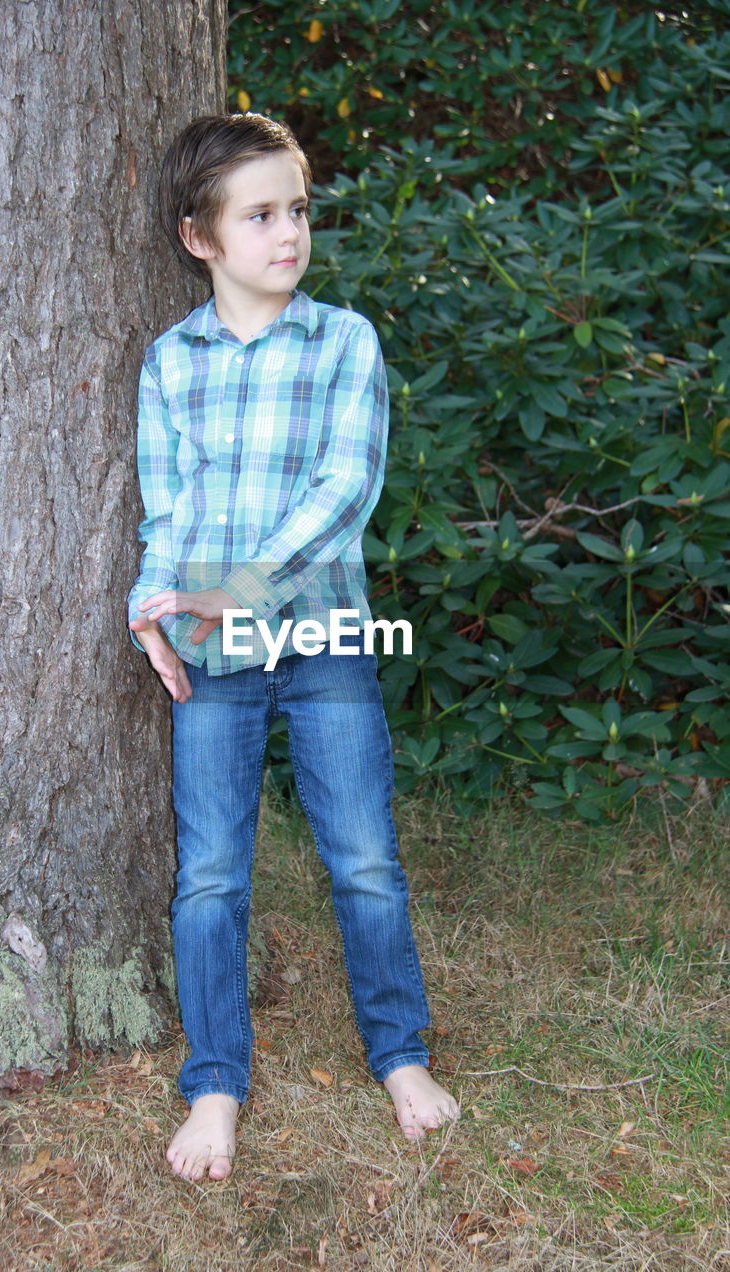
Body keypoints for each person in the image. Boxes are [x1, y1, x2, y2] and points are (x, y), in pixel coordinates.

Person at [127, 113, 459, 1184]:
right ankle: (215, 1078)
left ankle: (399, 1052)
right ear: (200, 238)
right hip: (209, 652)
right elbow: (165, 506)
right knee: (211, 872)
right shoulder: (171, 362)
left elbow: (343, 489)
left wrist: (242, 588)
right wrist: (153, 601)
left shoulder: (344, 340)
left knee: (361, 853)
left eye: (297, 210)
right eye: (259, 214)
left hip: (319, 633)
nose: (288, 233)